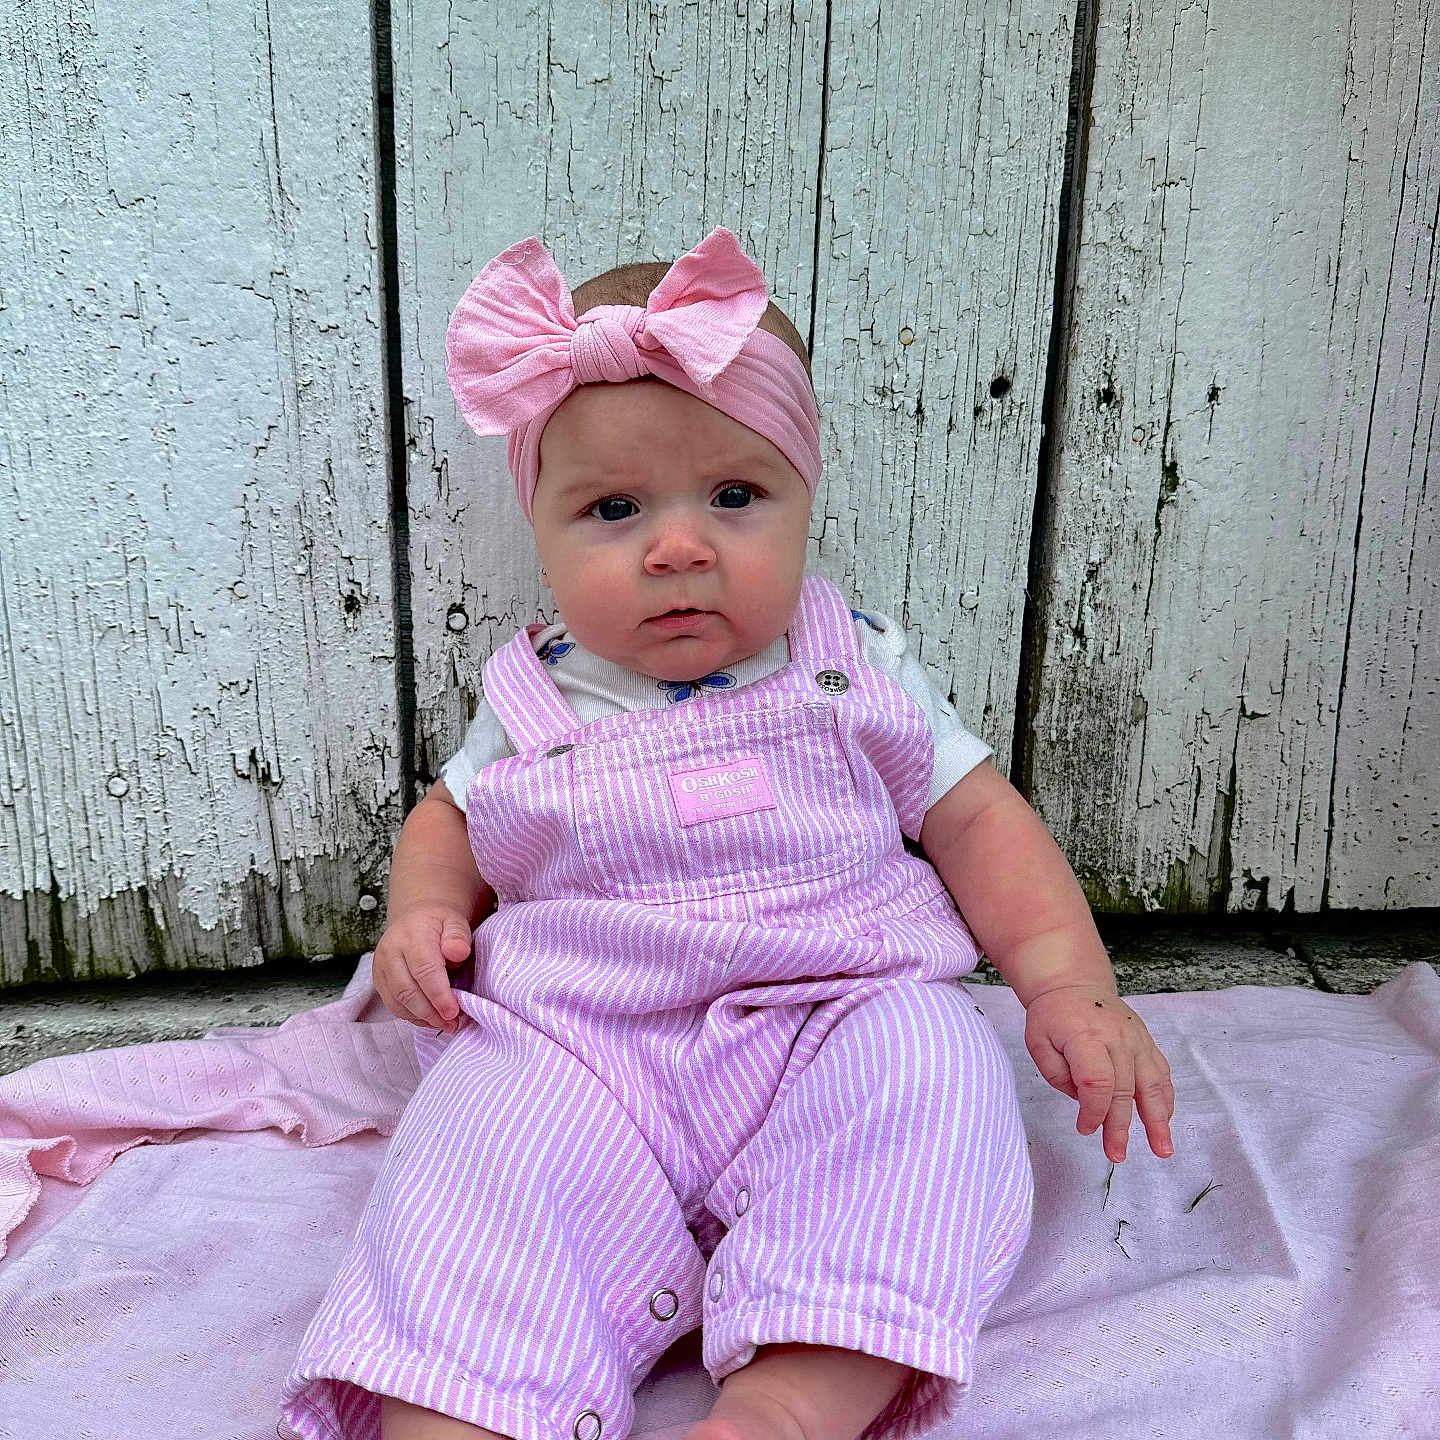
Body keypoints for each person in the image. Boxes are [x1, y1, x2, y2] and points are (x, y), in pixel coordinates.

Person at [279, 227, 1174, 1440]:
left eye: (736, 496)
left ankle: (792, 1403)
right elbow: (449, 817)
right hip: (582, 1051)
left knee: (936, 1075)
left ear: (805, 498)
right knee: (474, 1146)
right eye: (613, 509)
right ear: (538, 530)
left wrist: (1068, 984)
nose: (680, 545)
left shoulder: (853, 663)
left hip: (831, 1019)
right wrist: (425, 912)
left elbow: (975, 818)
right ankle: (465, 1402)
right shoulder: (533, 693)